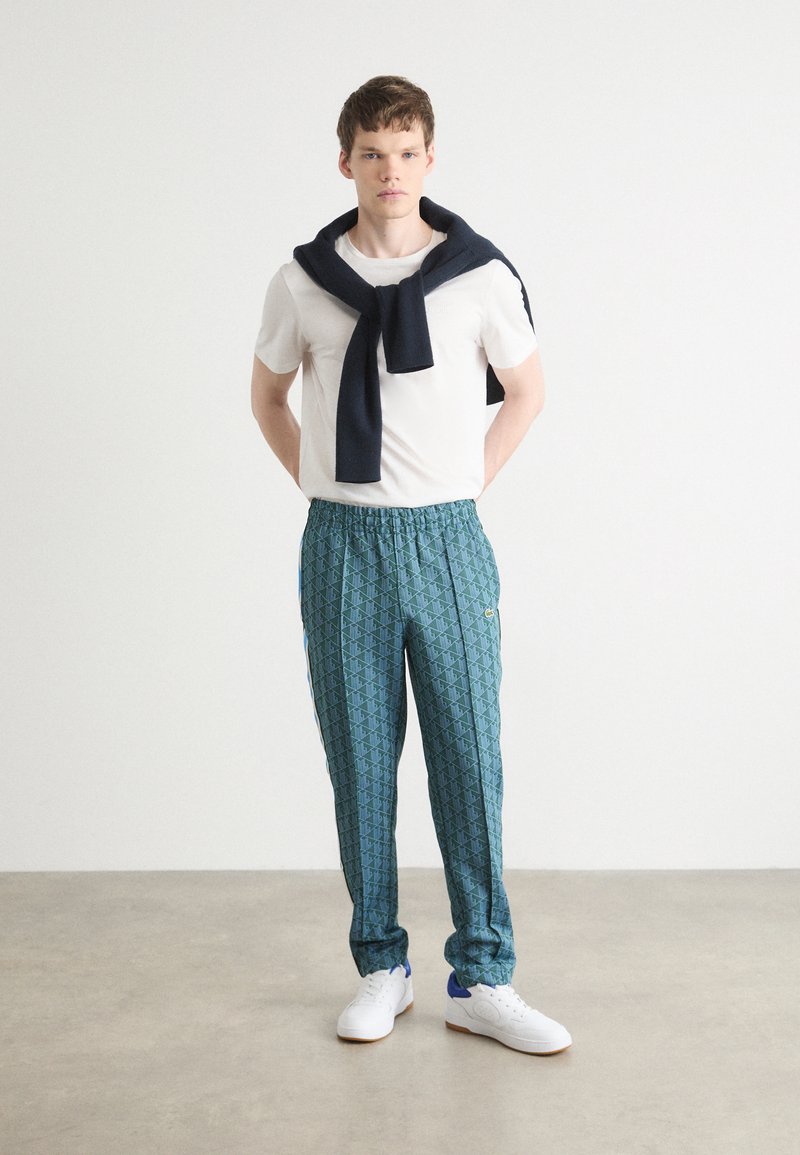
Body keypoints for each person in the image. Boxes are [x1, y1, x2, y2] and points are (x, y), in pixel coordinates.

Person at [251, 75, 572, 1056]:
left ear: (429, 160)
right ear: (344, 160)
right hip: (342, 544)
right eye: (371, 152)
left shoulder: (478, 276)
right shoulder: (303, 280)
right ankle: (379, 966)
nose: (389, 170)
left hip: (447, 542)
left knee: (469, 758)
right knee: (359, 762)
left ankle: (483, 974)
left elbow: (525, 390)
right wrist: (322, 486)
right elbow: (267, 397)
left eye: (405, 152)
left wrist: (466, 485)